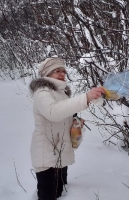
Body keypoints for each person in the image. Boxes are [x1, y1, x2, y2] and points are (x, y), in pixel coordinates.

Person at [29, 57, 105, 200]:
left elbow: (64, 114)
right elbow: (53, 112)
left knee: (62, 192)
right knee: (48, 196)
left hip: (60, 150)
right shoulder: (42, 92)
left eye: (63, 71)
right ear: (47, 73)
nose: (62, 74)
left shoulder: (62, 94)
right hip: (46, 153)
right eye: (57, 71)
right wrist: (85, 98)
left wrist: (76, 123)